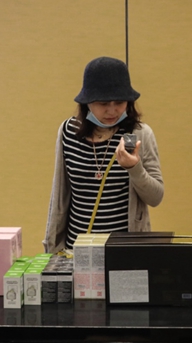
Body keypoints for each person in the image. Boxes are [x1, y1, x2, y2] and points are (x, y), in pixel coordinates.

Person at [43, 57, 164, 253]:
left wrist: (134, 168)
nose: (112, 110)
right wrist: (53, 246)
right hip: (77, 252)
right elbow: (59, 195)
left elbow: (156, 197)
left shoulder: (138, 134)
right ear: (87, 102)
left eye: (120, 102)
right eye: (103, 103)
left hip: (124, 252)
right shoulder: (68, 131)